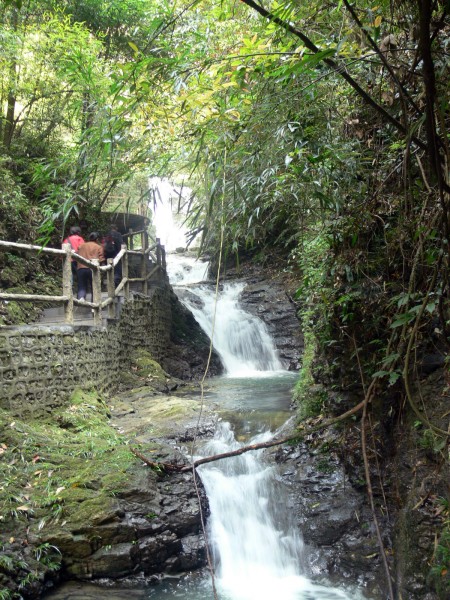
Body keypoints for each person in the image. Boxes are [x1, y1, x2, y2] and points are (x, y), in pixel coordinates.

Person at [76, 232, 105, 301]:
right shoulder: (98, 247)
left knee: (82, 286)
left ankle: (81, 298)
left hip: (81, 268)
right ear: (97, 239)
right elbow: (101, 259)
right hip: (92, 269)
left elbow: (77, 254)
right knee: (94, 286)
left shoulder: (81, 246)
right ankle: (94, 304)